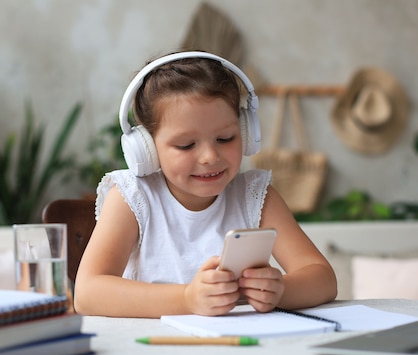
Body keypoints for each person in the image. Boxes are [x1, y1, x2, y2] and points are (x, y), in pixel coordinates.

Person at [74, 51, 336, 318]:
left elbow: (323, 279)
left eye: (225, 138)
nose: (210, 157)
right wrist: (188, 299)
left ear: (245, 132)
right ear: (148, 149)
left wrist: (281, 290)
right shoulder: (133, 198)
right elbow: (87, 293)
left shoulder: (255, 196)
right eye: (186, 145)